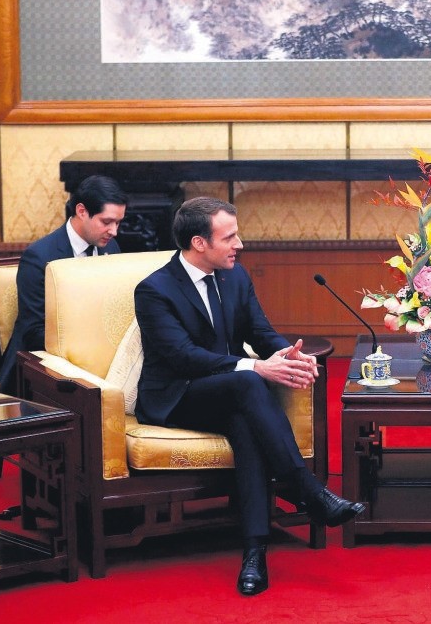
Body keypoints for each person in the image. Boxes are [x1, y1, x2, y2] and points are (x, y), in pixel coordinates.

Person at [133, 197, 364, 597]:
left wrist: (290, 355)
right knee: (248, 382)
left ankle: (254, 554)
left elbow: (260, 332)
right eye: (230, 237)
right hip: (176, 396)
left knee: (245, 421)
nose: (239, 244)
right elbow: (182, 358)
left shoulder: (234, 277)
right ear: (199, 243)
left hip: (227, 392)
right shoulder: (155, 290)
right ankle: (307, 491)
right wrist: (256, 367)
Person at [0, 175, 128, 395]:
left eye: (118, 222)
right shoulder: (39, 257)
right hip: (40, 368)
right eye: (107, 222)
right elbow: (33, 331)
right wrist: (87, 346)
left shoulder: (111, 247)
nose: (114, 231)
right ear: (81, 211)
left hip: (97, 364)